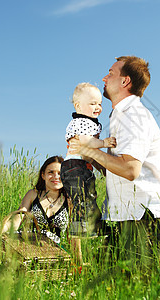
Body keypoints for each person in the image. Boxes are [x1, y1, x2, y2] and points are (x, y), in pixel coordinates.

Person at [69, 56, 160, 270]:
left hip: (144, 219)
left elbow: (130, 169)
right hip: (124, 217)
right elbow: (119, 168)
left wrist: (90, 150)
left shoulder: (133, 115)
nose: (104, 78)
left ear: (125, 82)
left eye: (110, 73)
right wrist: (94, 159)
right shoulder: (120, 115)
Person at [60, 83, 116, 264]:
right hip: (75, 166)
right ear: (78, 106)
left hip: (82, 167)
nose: (98, 108)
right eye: (93, 103)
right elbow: (85, 142)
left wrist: (103, 168)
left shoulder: (89, 122)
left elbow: (91, 155)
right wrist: (105, 143)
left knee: (89, 196)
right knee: (80, 199)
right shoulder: (80, 122)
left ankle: (93, 225)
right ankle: (79, 229)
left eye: (99, 104)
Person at [0, 156, 69, 245]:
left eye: (60, 173)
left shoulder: (70, 199)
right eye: (51, 172)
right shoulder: (33, 194)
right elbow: (18, 218)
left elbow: (74, 236)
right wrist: (2, 227)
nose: (56, 176)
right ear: (43, 175)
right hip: (28, 247)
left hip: (56, 252)